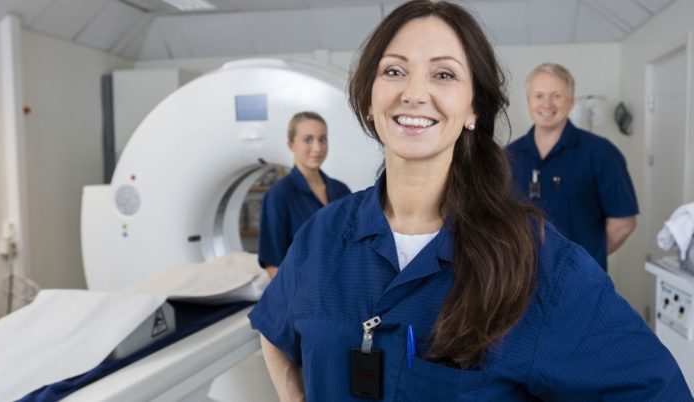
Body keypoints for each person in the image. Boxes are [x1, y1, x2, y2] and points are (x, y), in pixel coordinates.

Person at [248, 1, 691, 401]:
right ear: (368, 99)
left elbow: (657, 390)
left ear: (474, 107)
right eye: (394, 71)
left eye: (443, 74)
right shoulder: (321, 236)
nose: (414, 93)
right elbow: (273, 328)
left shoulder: (537, 264)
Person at [506, 63, 638, 271]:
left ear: (571, 101)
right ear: (528, 101)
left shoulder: (601, 153)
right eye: (539, 96)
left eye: (557, 96)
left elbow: (623, 223)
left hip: (581, 280)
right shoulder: (508, 156)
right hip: (522, 278)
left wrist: (584, 261)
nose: (547, 104)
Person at [258, 111, 351, 279]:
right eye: (308, 140)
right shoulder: (278, 195)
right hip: (300, 289)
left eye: (323, 139)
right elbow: (273, 266)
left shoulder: (342, 191)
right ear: (291, 144)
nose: (318, 148)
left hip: (342, 283)